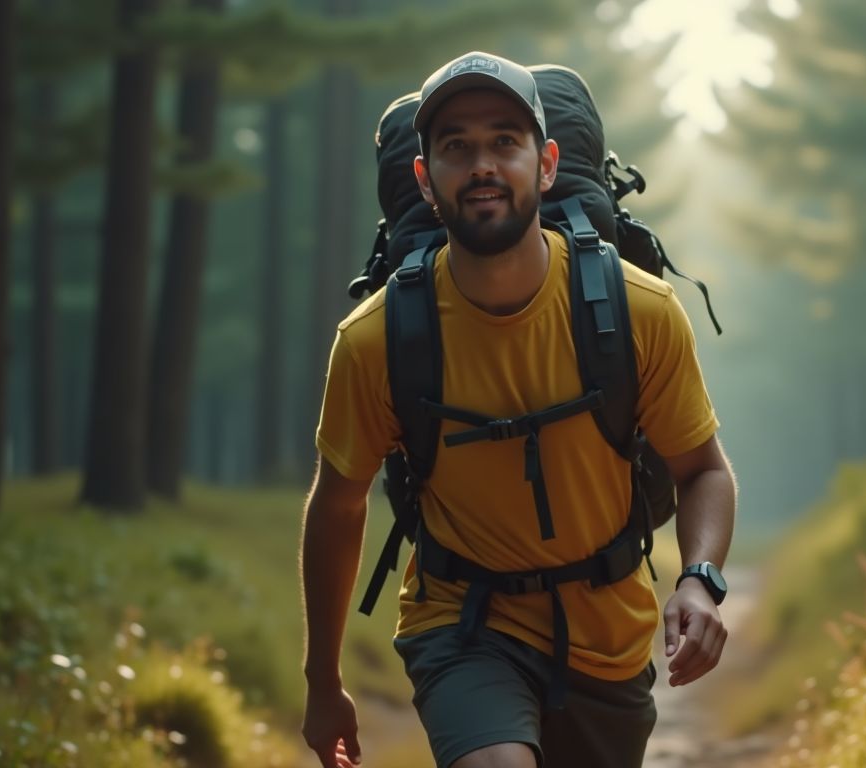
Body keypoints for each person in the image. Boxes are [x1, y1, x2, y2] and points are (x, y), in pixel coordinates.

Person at [300, 51, 736, 768]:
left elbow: (704, 471)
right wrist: (322, 682)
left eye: (505, 140)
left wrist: (701, 580)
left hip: (609, 633)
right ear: (424, 177)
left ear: (547, 164)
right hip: (460, 623)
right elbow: (338, 505)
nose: (482, 164)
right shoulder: (377, 339)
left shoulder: (639, 311)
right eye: (456, 146)